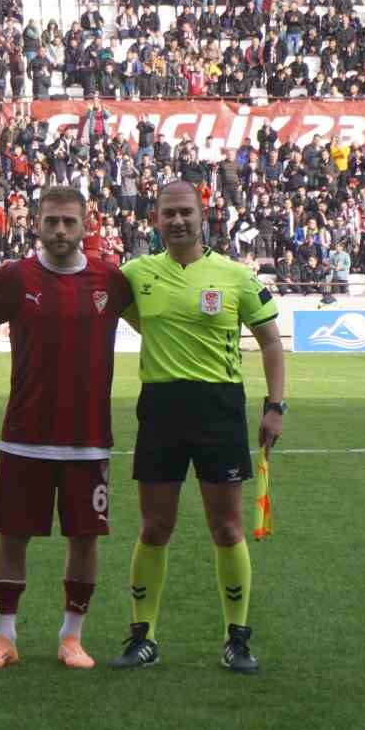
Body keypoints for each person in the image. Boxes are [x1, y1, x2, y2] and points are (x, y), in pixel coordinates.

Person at [113, 180, 286, 675]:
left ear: (202, 213)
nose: (177, 221)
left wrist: (276, 405)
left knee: (226, 526)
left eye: (185, 212)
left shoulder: (234, 276)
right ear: (155, 219)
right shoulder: (136, 275)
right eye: (168, 213)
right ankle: (142, 635)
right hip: (161, 407)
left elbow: (271, 342)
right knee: (154, 526)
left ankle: (237, 638)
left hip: (219, 408)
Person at [0, 186, 136, 671]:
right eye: (51, 221)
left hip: (88, 438)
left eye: (69, 222)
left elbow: (156, 325)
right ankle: (4, 639)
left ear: (85, 225)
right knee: (12, 536)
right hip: (25, 435)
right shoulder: (15, 277)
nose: (60, 230)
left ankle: (71, 638)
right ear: (35, 223)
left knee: (84, 539)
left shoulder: (111, 279)